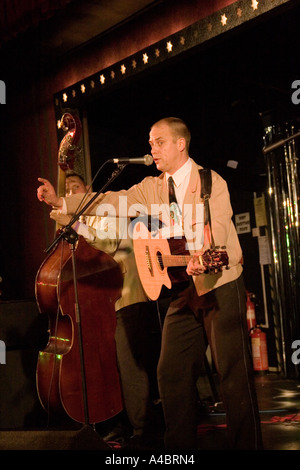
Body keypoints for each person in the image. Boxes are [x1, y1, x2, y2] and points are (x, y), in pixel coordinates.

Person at [37, 117, 263, 450]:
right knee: (170, 373)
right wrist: (62, 203)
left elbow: (225, 237)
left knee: (232, 376)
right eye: (150, 142)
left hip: (220, 284)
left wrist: (211, 256)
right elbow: (111, 201)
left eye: (159, 141)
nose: (152, 148)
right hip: (184, 291)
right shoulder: (150, 189)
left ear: (180, 144)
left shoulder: (210, 182)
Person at [47, 170, 164, 449]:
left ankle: (144, 433)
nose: (72, 193)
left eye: (76, 188)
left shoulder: (103, 211)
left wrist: (73, 225)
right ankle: (118, 424)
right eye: (68, 190)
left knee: (131, 365)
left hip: (128, 294)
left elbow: (110, 243)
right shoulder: (77, 219)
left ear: (87, 189)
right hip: (100, 303)